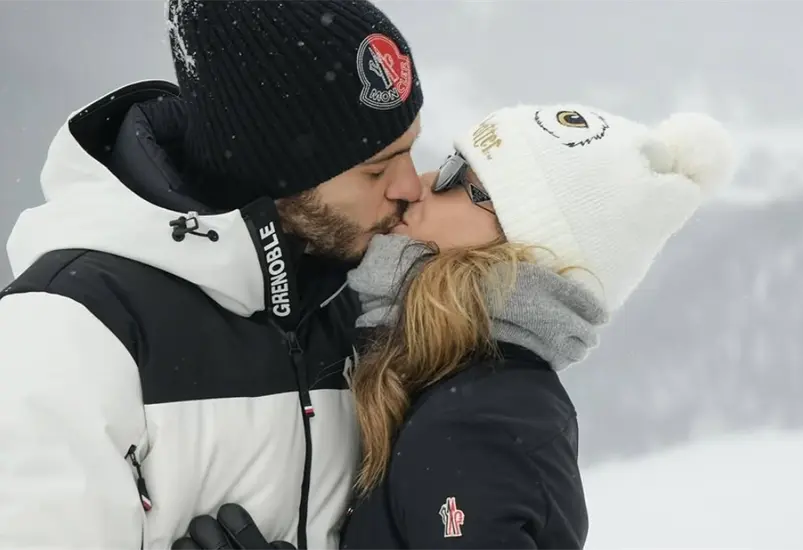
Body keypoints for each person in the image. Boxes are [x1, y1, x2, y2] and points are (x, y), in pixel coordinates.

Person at [175, 103, 735, 550]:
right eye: (444, 162)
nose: (420, 182)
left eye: (462, 182)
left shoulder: (482, 418)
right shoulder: (451, 386)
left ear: (524, 253)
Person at [0, 0, 424, 549]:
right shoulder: (68, 331)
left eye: (411, 148)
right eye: (376, 168)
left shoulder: (354, 298)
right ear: (272, 167)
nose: (411, 186)